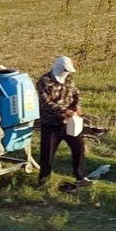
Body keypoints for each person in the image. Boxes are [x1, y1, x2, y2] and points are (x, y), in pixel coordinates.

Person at [36, 56, 91, 187]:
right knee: (47, 153)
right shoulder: (44, 81)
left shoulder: (68, 80)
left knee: (78, 148)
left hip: (69, 123)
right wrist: (63, 111)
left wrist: (76, 107)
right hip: (51, 124)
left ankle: (80, 177)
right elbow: (45, 102)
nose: (66, 73)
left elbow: (76, 94)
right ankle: (44, 181)